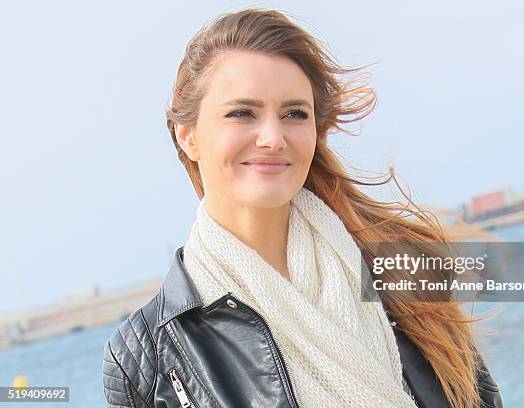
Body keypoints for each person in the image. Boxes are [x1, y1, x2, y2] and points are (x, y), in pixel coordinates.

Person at [102, 7, 503, 408]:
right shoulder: (147, 357)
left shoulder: (399, 266)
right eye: (242, 113)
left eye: (295, 114)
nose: (273, 137)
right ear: (188, 136)